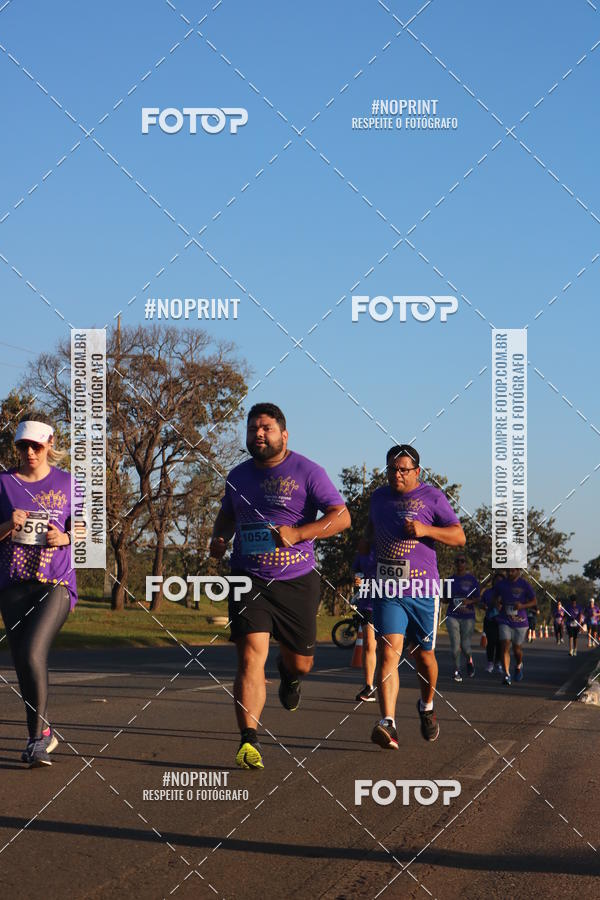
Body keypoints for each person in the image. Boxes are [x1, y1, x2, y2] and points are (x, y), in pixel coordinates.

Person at [209, 403, 351, 770]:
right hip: (247, 575)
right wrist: (219, 539)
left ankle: (289, 675)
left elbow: (341, 516)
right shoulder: (237, 476)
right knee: (249, 656)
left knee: (302, 663)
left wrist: (299, 533)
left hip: (296, 579)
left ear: (283, 435)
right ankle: (248, 741)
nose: (258, 433)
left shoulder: (308, 471)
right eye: (253, 428)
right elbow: (226, 515)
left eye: (266, 428)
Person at [362, 444, 465, 749]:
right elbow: (371, 528)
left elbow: (458, 536)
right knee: (388, 650)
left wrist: (425, 529)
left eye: (404, 470)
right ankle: (388, 723)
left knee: (424, 657)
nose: (397, 475)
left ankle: (427, 705)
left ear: (417, 471)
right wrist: (363, 550)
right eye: (392, 469)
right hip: (387, 589)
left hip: (422, 591)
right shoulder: (378, 498)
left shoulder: (432, 497)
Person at [0, 419, 77, 767]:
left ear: (49, 445)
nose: (29, 452)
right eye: (22, 447)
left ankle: (35, 741)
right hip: (13, 583)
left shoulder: (68, 483)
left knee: (32, 652)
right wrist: (7, 525)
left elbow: (88, 532)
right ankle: (43, 733)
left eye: (36, 446)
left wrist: (67, 538)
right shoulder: (3, 484)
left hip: (55, 582)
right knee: (22, 663)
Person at [495, 569, 537, 684]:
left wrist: (522, 605)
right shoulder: (501, 584)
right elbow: (494, 597)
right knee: (505, 645)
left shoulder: (524, 584)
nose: (510, 573)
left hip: (520, 621)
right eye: (508, 571)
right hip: (504, 619)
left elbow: (534, 601)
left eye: (513, 571)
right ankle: (506, 674)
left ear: (518, 571)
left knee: (516, 649)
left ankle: (518, 664)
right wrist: (497, 604)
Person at [443, 554, 480, 682]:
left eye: (462, 561)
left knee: (465, 645)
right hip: (452, 615)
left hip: (468, 616)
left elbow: (478, 598)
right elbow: (446, 599)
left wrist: (468, 602)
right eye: (457, 561)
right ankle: (457, 669)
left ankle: (469, 660)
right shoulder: (449, 580)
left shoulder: (472, 580)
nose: (460, 563)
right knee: (454, 645)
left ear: (466, 564)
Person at [352, 547, 378, 702]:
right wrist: (356, 578)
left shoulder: (390, 546)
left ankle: (386, 681)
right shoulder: (364, 550)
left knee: (388, 649)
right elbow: (355, 570)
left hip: (390, 603)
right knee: (369, 644)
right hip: (367, 604)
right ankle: (369, 687)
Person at [480, 573, 503, 672]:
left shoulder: (505, 593)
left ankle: (498, 662)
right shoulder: (488, 592)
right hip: (490, 619)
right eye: (496, 580)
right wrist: (483, 606)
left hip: (502, 621)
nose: (498, 582)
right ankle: (490, 663)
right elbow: (481, 602)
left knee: (500, 643)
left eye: (500, 581)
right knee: (491, 642)